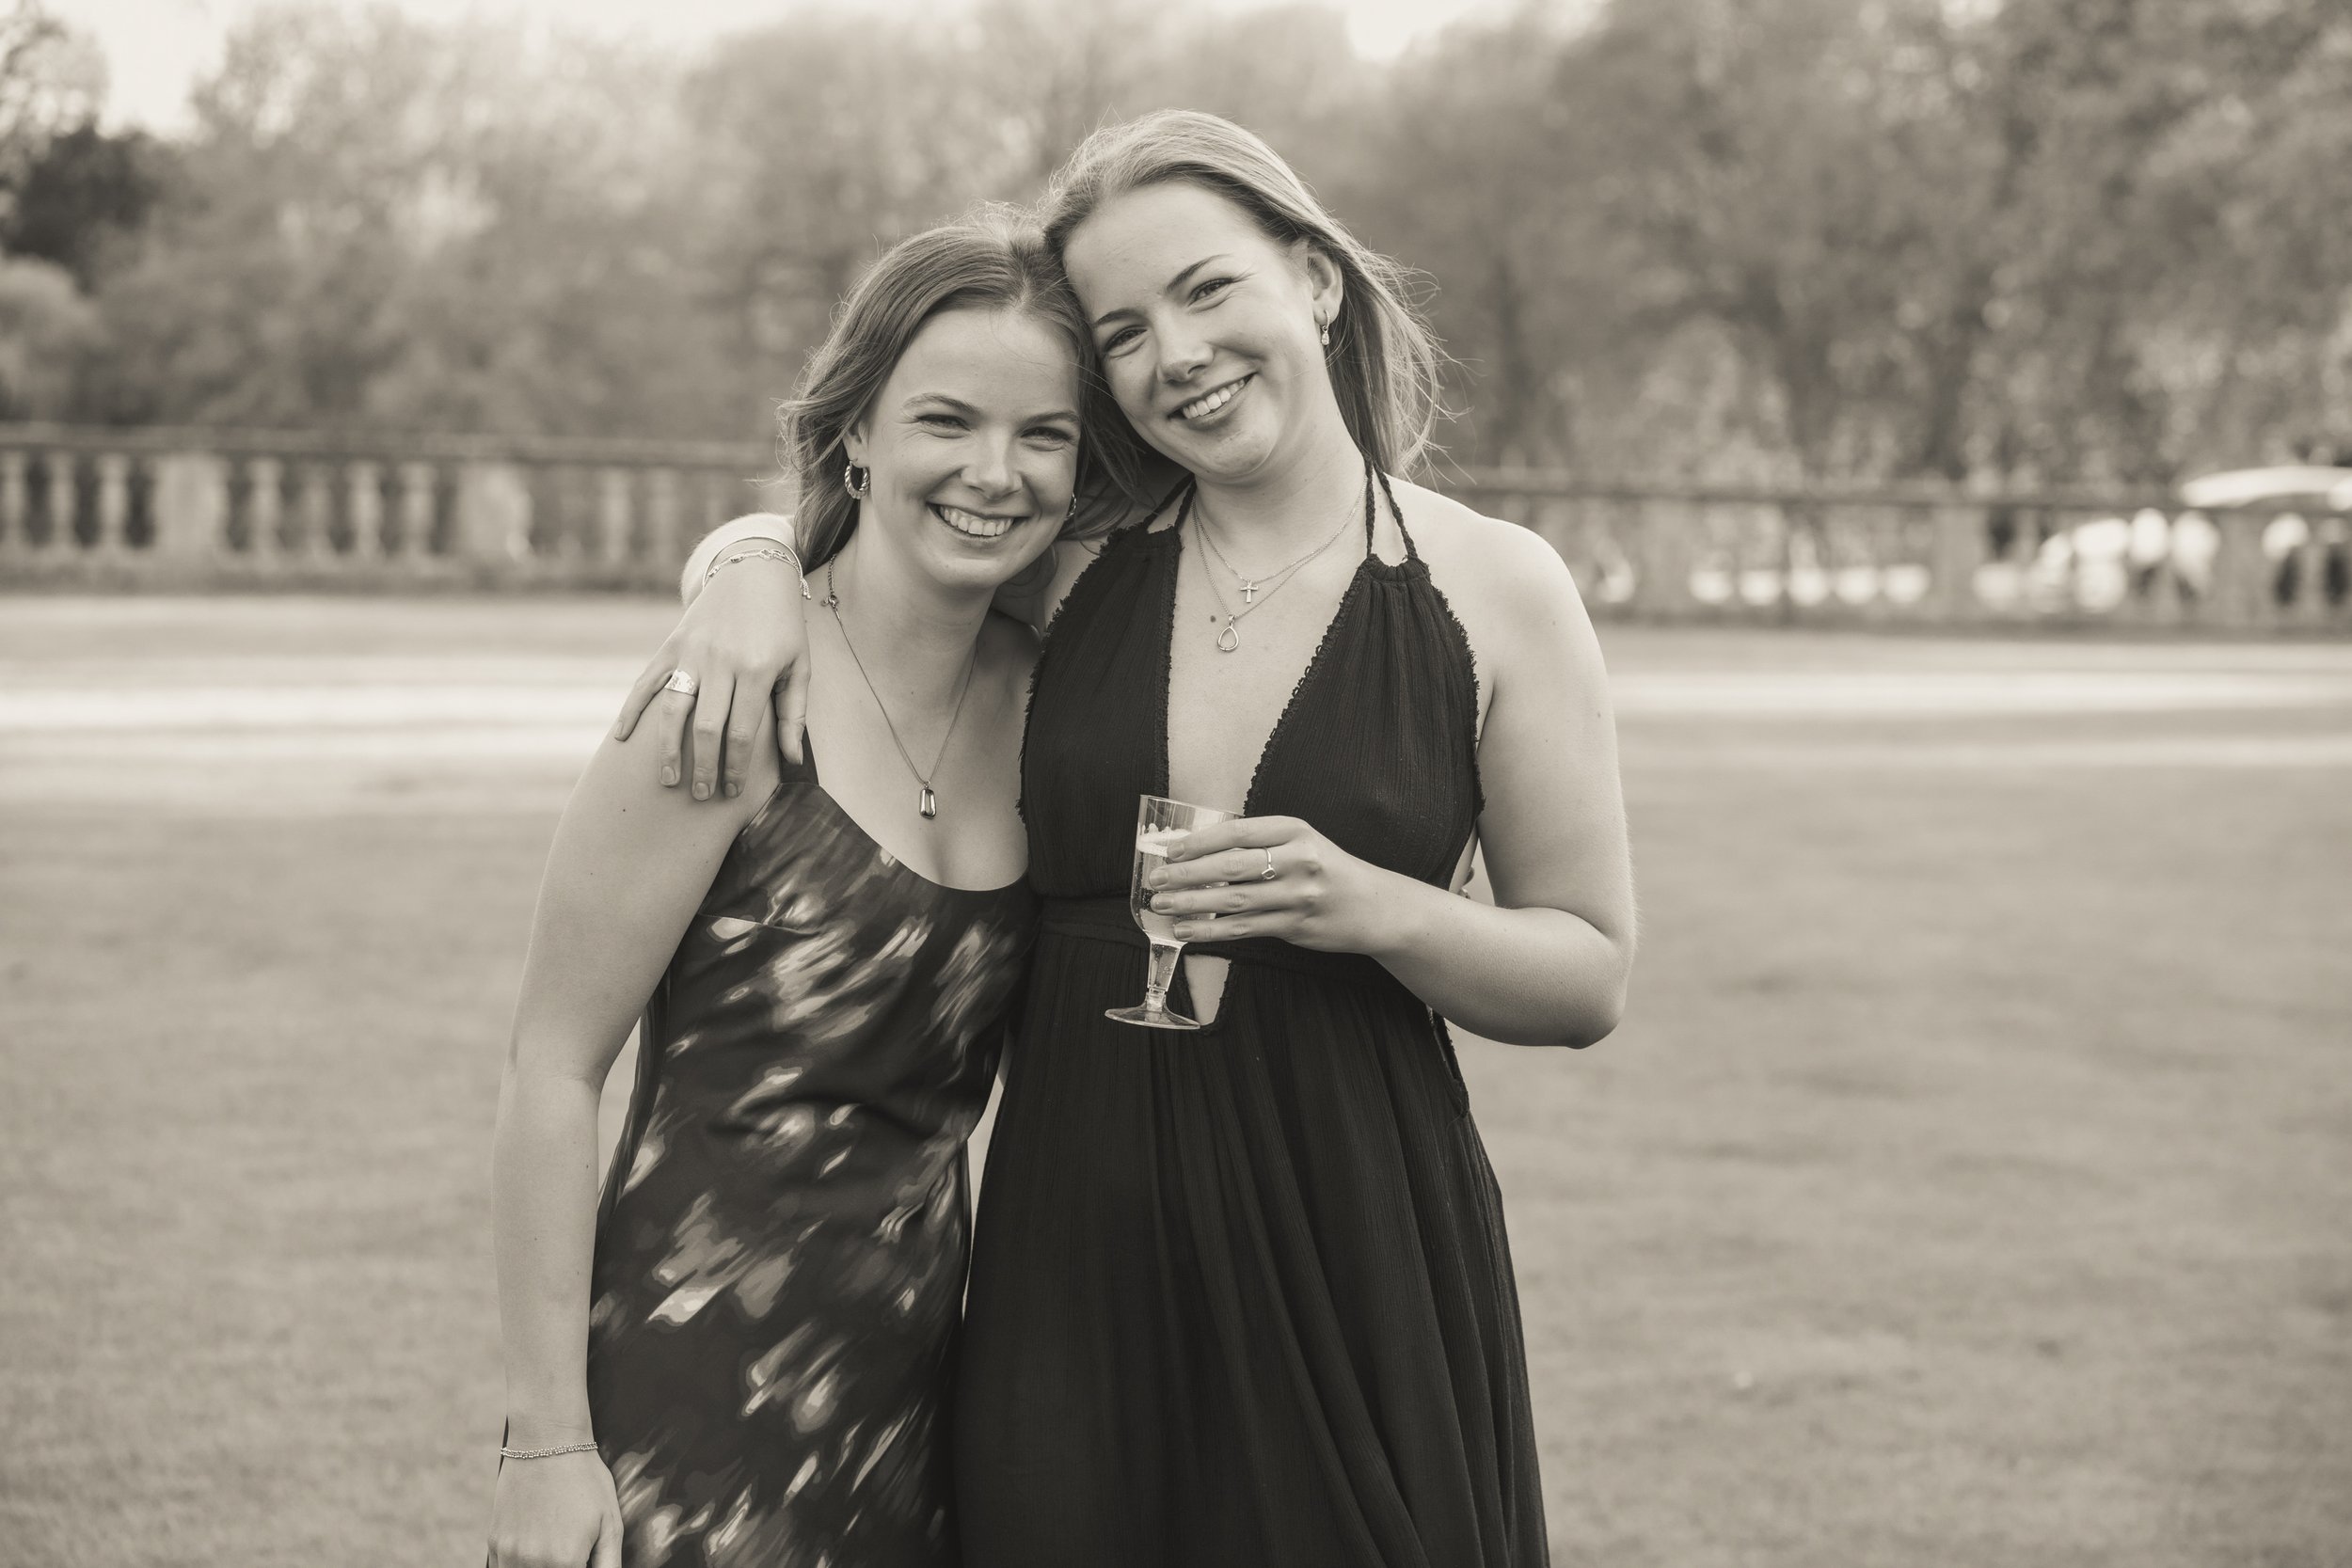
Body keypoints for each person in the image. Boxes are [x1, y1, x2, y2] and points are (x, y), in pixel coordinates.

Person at [616, 111, 1637, 1567]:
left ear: (1317, 282)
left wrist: (1370, 907)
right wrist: (746, 559)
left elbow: (1589, 973)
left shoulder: (1498, 589)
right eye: (1124, 332)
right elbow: (879, 520)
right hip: (1072, 1243)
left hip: (1355, 1233)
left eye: (1209, 291)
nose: (1178, 355)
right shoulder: (1075, 563)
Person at [486, 211, 1118, 1568]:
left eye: (1044, 435)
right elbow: (551, 1066)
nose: (994, 474)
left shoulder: (1069, 709)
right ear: (858, 434)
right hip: (683, 1389)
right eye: (946, 420)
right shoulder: (723, 708)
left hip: (927, 1410)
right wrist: (546, 1444)